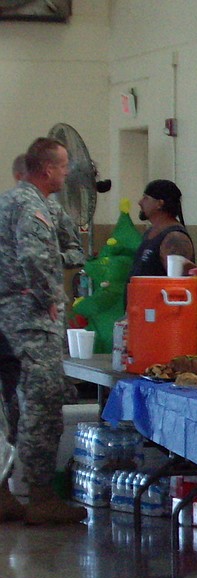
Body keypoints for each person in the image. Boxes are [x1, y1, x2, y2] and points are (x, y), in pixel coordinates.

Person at [0, 137, 87, 524]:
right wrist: (47, 296)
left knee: (7, 408)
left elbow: (65, 248)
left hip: (5, 317)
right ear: (48, 169)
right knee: (43, 404)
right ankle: (40, 495)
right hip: (29, 318)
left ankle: (3, 492)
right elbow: (34, 257)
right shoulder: (32, 205)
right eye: (64, 166)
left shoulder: (8, 201)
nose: (68, 173)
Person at [130, 179, 195, 278]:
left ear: (159, 203)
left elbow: (178, 281)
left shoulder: (175, 238)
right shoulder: (150, 232)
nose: (140, 202)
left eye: (145, 198)